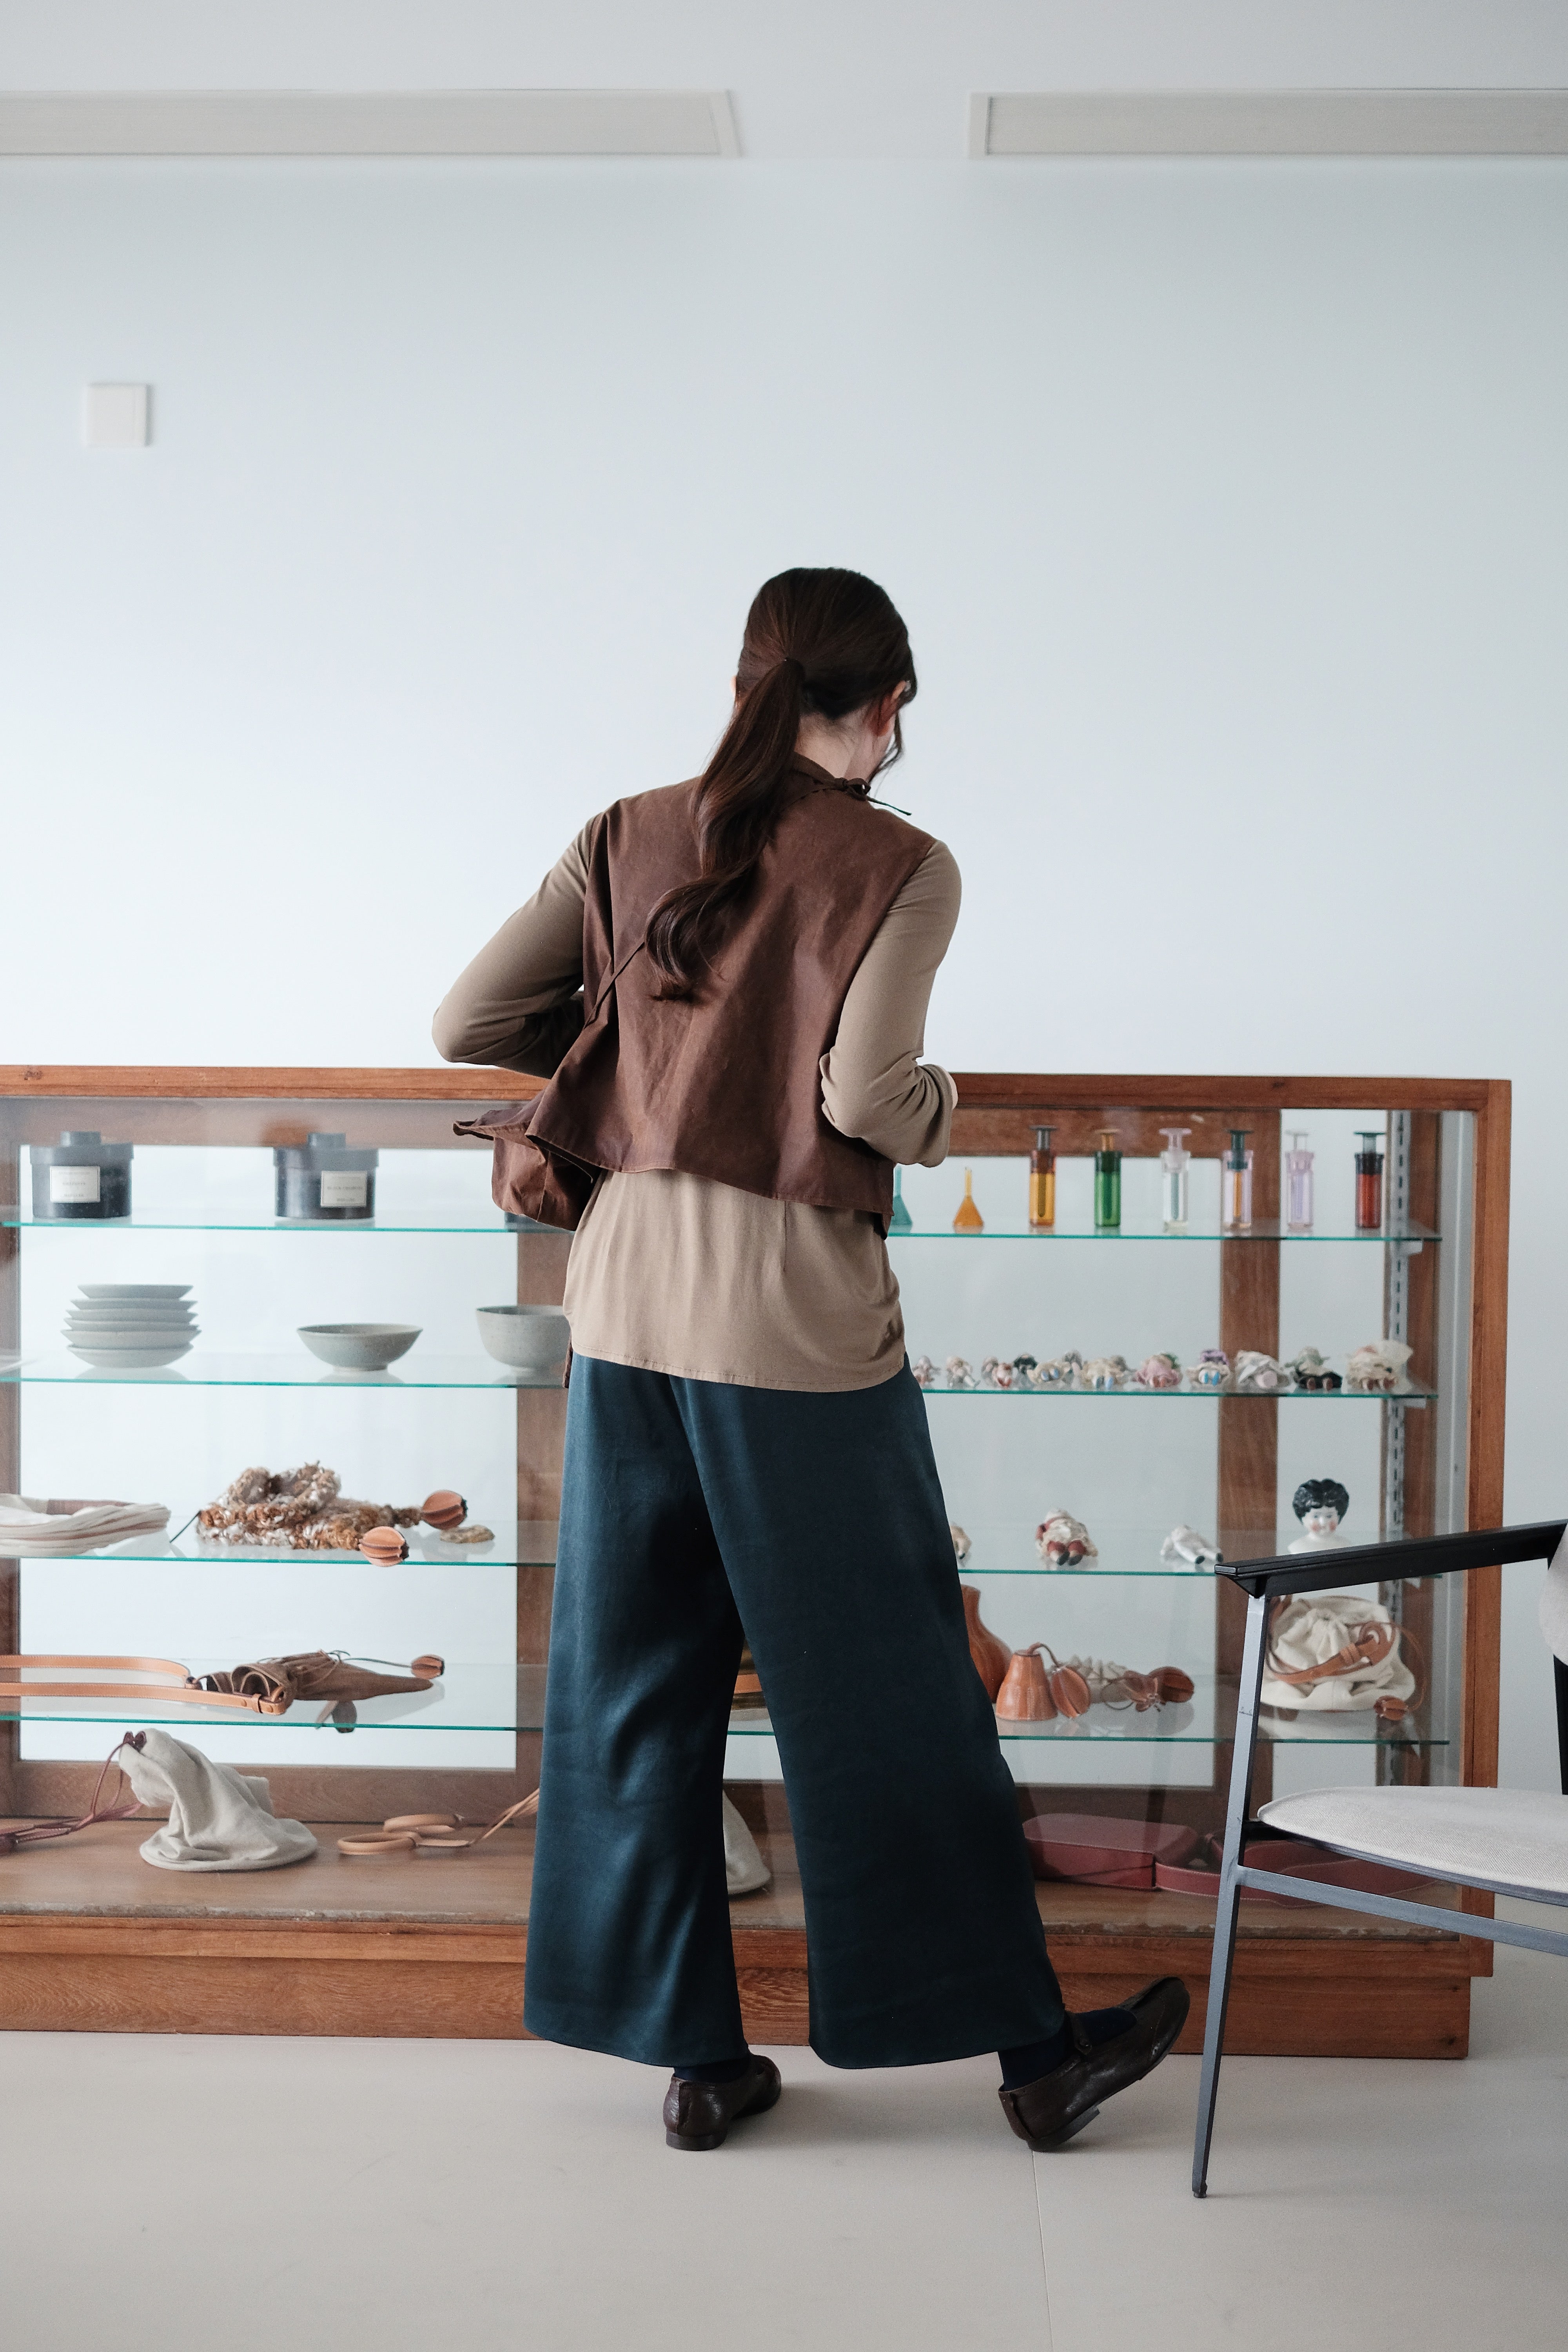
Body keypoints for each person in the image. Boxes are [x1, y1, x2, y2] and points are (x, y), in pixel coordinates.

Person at [433, 565, 1188, 2152]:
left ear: (747, 682)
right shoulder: (901, 863)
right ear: (890, 704)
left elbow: (466, 1021)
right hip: (793, 1331)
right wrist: (946, 1108)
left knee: (636, 1691)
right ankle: (1035, 2061)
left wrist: (651, 1062)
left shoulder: (625, 829)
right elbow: (867, 1099)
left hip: (621, 1312)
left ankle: (697, 2063)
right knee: (895, 1696)